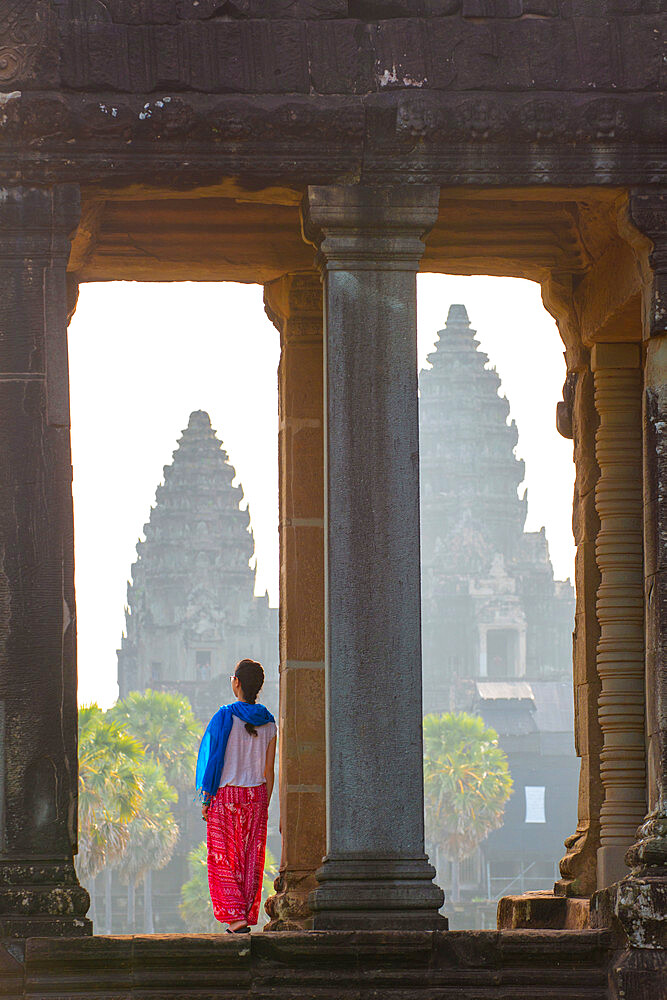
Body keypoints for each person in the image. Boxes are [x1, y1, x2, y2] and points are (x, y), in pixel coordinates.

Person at [195, 658, 277, 933]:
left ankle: (236, 917)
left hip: (227, 797)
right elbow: (269, 770)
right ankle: (241, 916)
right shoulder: (269, 723)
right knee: (249, 858)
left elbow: (213, 761)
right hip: (256, 796)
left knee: (223, 858)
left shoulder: (224, 715)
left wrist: (206, 800)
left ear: (237, 683)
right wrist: (264, 803)